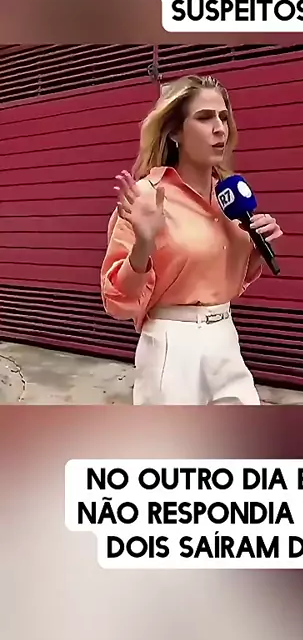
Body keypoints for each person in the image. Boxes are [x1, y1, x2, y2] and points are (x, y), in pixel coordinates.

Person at [101, 74, 283, 406]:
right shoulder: (147, 197)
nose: (220, 129)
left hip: (225, 335)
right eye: (204, 118)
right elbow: (117, 300)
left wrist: (257, 249)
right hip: (172, 344)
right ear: (175, 133)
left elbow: (227, 278)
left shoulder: (230, 194)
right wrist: (142, 245)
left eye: (223, 117)